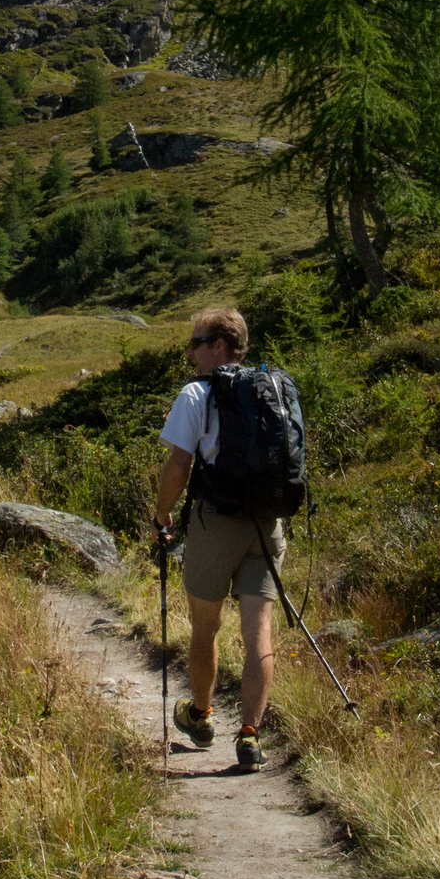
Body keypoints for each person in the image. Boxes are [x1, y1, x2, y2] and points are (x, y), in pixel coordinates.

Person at [152, 306, 279, 771]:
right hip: (266, 523)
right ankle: (250, 736)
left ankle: (202, 716)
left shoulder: (196, 393)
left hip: (216, 521)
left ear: (219, 346)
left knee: (206, 626)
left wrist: (161, 515)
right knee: (258, 630)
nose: (190, 352)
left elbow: (178, 467)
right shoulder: (269, 388)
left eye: (196, 343)